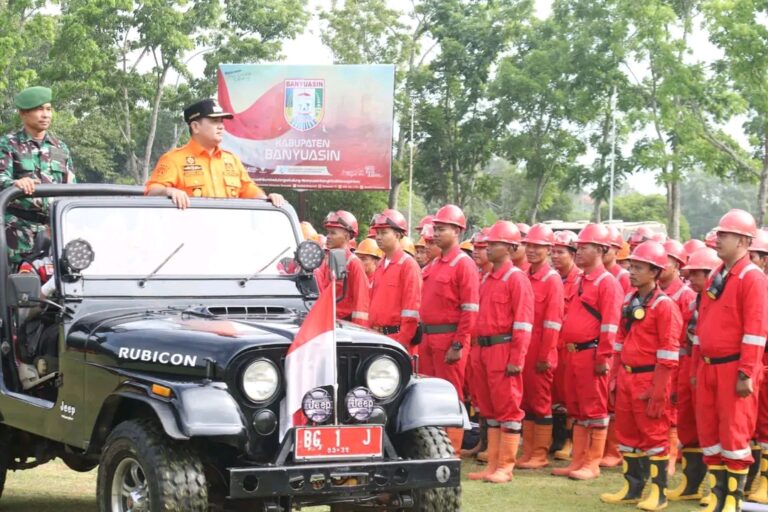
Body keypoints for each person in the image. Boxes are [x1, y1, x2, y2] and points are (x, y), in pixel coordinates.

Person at [693, 209, 768, 511]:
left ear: (743, 241)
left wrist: (746, 373)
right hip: (709, 367)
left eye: (725, 234)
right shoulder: (717, 274)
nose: (718, 238)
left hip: (733, 368)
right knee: (710, 436)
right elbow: (702, 324)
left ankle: (732, 502)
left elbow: (756, 330)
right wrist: (698, 367)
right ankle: (717, 497)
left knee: (735, 437)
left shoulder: (753, 278)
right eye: (719, 233)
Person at [601, 241, 682, 510]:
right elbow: (620, 342)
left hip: (649, 378)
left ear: (655, 272)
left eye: (639, 268)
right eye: (631, 267)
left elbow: (668, 353)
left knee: (655, 437)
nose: (631, 272)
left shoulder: (664, 306)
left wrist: (659, 391)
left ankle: (658, 493)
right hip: (627, 376)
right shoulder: (629, 300)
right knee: (627, 435)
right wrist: (614, 377)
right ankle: (632, 488)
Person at [553, 223, 622, 481]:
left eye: (585, 247)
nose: (579, 251)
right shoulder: (582, 280)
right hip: (574, 353)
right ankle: (578, 460)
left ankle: (591, 463)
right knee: (577, 410)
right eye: (578, 247)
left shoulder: (607, 283)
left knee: (594, 410)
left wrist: (604, 357)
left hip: (592, 353)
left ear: (601, 250)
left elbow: (611, 324)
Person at [467, 220, 534, 483]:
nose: (488, 247)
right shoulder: (487, 278)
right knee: (489, 409)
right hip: (484, 350)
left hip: (503, 350)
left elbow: (523, 323)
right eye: (489, 243)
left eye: (494, 243)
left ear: (510, 248)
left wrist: (517, 358)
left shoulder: (516, 279)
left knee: (508, 409)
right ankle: (492, 464)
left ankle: (505, 466)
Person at [145, 98, 284, 209]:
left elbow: (249, 190)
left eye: (222, 122)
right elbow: (152, 191)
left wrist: (267, 199)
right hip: (190, 232)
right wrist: (169, 191)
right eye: (214, 121)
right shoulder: (173, 159)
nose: (221, 126)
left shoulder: (232, 160)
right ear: (195, 126)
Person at [419, 204, 480, 455]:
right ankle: (433, 449)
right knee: (429, 396)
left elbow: (470, 309)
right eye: (435, 228)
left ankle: (452, 450)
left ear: (457, 231)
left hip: (448, 339)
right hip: (428, 338)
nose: (435, 233)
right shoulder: (435, 264)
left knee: (450, 395)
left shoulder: (464, 264)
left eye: (441, 229)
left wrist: (458, 343)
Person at [0, 86, 76, 266]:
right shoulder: (8, 144)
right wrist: (16, 183)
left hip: (56, 230)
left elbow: (72, 188)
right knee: (18, 279)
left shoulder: (60, 147)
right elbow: (1, 177)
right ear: (23, 113)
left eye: (48, 109)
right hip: (17, 232)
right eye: (39, 109)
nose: (46, 115)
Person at [667, 246, 720, 503]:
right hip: (688, 364)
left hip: (709, 366)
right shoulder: (694, 301)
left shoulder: (719, 302)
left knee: (714, 428)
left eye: (697, 273)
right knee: (688, 425)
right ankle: (691, 484)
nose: (690, 278)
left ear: (711, 274)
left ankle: (717, 488)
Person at [517, 224, 564, 470]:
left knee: (541, 402)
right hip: (525, 348)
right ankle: (528, 451)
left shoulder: (552, 279)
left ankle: (540, 453)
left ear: (548, 249)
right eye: (529, 245)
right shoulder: (524, 275)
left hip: (540, 349)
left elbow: (553, 322)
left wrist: (545, 354)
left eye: (538, 246)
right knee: (525, 401)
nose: (532, 250)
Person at [659, 239, 697, 475]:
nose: (660, 264)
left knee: (673, 410)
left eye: (666, 260)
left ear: (677, 265)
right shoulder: (654, 293)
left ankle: (672, 456)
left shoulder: (686, 295)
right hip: (659, 361)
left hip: (680, 362)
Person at [368, 209, 422, 355]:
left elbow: (411, 310)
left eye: (384, 233)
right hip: (378, 338)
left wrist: (401, 343)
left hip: (397, 340)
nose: (378, 237)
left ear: (397, 235)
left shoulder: (408, 265)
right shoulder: (380, 265)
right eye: (377, 233)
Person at [601, 226, 632, 469]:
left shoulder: (621, 277)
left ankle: (614, 449)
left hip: (615, 343)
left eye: (609, 248)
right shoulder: (596, 276)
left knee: (613, 400)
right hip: (608, 343)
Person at [551, 229, 581, 460]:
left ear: (572, 253)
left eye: (560, 252)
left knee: (571, 396)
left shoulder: (579, 280)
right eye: (553, 252)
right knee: (554, 394)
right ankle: (557, 438)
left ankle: (570, 441)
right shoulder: (553, 278)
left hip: (570, 346)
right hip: (554, 344)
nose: (555, 256)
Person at [315, 210, 370, 326]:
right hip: (327, 323)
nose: (328, 237)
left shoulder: (354, 263)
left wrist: (358, 330)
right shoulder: (327, 262)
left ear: (346, 236)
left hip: (345, 326)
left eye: (333, 233)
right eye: (328, 233)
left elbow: (361, 303)